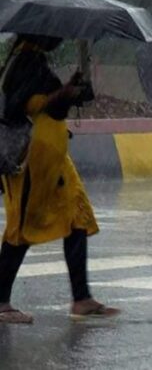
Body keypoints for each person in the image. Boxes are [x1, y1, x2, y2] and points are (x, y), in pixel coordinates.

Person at [0, 34, 117, 324]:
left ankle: (82, 298)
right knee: (23, 227)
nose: (57, 40)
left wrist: (71, 90)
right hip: (32, 160)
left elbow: (50, 104)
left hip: (54, 161)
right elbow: (18, 107)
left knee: (76, 217)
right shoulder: (24, 62)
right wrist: (63, 93)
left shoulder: (36, 61)